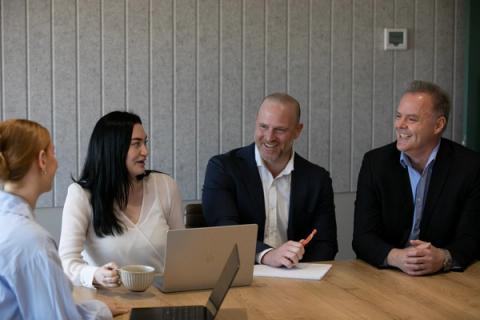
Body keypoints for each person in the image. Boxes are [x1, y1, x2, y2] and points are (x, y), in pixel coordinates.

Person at [0, 119, 128, 319]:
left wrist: (93, 308)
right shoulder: (33, 242)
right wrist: (99, 310)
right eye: (53, 152)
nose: (56, 161)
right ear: (42, 160)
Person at [353, 80, 480, 276]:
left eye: (411, 119)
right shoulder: (375, 163)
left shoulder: (469, 166)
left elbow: (473, 237)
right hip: (387, 274)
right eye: (398, 116)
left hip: (445, 278)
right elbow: (362, 237)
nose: (400, 125)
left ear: (438, 125)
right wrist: (396, 257)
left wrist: (444, 257)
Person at [202, 93, 337, 268]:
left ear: (298, 130)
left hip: (297, 278)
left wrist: (300, 274)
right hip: (237, 275)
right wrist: (266, 255)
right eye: (263, 126)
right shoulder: (223, 168)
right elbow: (224, 229)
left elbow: (325, 244)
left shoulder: (318, 179)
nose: (269, 137)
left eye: (280, 130)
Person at [59, 111, 184, 288]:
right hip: (108, 303)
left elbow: (183, 252)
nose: (145, 151)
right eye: (136, 144)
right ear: (113, 148)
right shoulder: (81, 195)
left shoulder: (165, 186)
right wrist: (95, 275)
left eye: (145, 143)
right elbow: (66, 262)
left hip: (162, 297)